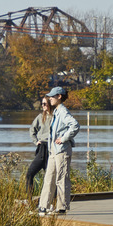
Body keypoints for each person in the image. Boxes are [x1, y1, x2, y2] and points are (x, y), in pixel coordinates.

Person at [37, 86, 80, 215]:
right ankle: (43, 206)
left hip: (62, 151)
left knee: (61, 178)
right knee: (49, 178)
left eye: (52, 96)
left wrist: (64, 138)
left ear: (59, 97)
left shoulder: (63, 111)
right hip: (53, 151)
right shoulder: (56, 111)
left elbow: (75, 125)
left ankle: (62, 208)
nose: (50, 98)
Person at [25, 96, 51, 195]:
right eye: (42, 104)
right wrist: (36, 141)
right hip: (41, 148)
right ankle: (29, 199)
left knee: (50, 178)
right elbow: (32, 130)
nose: (43, 106)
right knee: (30, 173)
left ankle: (53, 201)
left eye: (45, 104)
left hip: (51, 148)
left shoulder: (56, 117)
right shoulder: (40, 117)